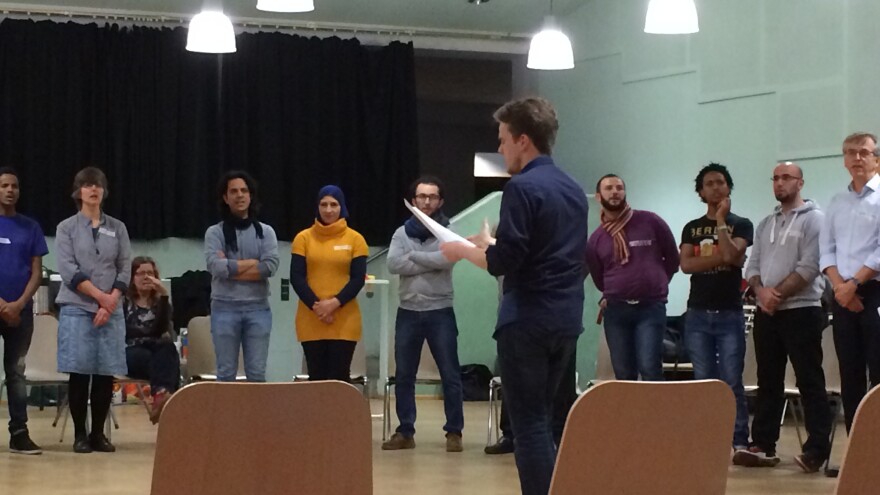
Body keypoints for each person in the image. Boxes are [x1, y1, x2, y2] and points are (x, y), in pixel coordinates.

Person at [441, 97, 589, 495]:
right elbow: (549, 249)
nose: (501, 148)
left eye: (503, 139)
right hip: (565, 319)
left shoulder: (522, 187)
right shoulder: (573, 189)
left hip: (527, 321)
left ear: (523, 140)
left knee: (530, 427)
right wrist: (491, 241)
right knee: (549, 421)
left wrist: (460, 249)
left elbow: (503, 262)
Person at [735, 162, 831, 472]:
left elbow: (810, 266)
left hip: (803, 310)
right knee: (768, 381)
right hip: (767, 313)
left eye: (786, 178)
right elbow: (752, 268)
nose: (779, 183)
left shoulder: (816, 220)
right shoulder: (766, 223)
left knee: (809, 380)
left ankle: (816, 449)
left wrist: (775, 294)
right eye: (775, 178)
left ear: (800, 183)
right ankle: (763, 445)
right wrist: (761, 292)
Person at [382, 176, 464, 453]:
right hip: (408, 312)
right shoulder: (401, 233)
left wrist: (414, 257)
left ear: (440, 201)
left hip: (440, 311)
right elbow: (393, 264)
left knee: (450, 374)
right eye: (421, 196)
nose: (426, 201)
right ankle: (405, 431)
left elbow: (448, 259)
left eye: (432, 197)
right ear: (413, 200)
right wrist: (429, 261)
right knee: (404, 374)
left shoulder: (450, 231)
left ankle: (454, 432)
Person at [55, 167, 131, 454]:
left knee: (104, 373)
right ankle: (80, 435)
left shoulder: (118, 227)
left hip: (110, 308)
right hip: (77, 307)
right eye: (87, 185)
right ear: (78, 192)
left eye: (98, 185)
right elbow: (68, 270)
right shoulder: (66, 228)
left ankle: (98, 434)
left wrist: (110, 301)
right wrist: (101, 298)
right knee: (80, 372)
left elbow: (125, 266)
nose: (93, 189)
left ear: (104, 191)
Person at [679, 162, 753, 452]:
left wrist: (721, 222)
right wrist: (723, 256)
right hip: (697, 314)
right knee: (704, 381)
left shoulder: (742, 223)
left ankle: (737, 440)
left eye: (720, 182)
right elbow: (686, 265)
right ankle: (708, 438)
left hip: (729, 313)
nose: (715, 187)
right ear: (701, 191)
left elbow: (734, 258)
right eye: (709, 183)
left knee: (732, 380)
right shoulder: (691, 228)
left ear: (729, 187)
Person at [819, 133, 880, 477]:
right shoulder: (837, 202)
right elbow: (826, 249)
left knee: (879, 375)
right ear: (844, 159)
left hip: (874, 293)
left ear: (876, 159)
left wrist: (854, 283)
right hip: (842, 294)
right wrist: (840, 287)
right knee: (850, 376)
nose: (857, 158)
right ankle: (859, 456)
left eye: (864, 152)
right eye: (850, 153)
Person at [586, 174, 679, 381]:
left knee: (649, 367)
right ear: (598, 197)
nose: (615, 192)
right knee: (623, 372)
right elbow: (599, 278)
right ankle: (630, 415)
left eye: (619, 187)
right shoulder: (596, 239)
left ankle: (654, 414)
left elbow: (672, 259)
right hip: (616, 311)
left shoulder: (650, 221)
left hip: (650, 308)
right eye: (608, 188)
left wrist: (657, 283)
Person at [204, 170, 279, 382]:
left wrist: (230, 268)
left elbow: (270, 267)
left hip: (258, 309)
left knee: (256, 373)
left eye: (244, 190)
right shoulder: (214, 233)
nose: (240, 195)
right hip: (224, 308)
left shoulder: (266, 232)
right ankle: (227, 416)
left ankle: (255, 416)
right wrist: (252, 263)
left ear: (251, 196)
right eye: (234, 191)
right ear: (225, 198)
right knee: (226, 373)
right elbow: (216, 268)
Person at [290, 185, 367, 382]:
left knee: (339, 379)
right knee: (317, 379)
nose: (329, 209)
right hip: (311, 319)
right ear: (317, 207)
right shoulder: (303, 238)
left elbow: (357, 279)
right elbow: (297, 277)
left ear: (342, 207)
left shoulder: (356, 239)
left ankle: (340, 415)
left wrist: (333, 304)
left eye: (334, 204)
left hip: (344, 320)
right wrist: (318, 307)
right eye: (324, 204)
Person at [0, 167, 49, 455]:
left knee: (16, 372)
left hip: (20, 313)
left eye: (14, 186)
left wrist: (17, 304)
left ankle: (19, 434)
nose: (10, 190)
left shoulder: (30, 227)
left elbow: (36, 272)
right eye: (4, 185)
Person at [123, 256, 180, 424]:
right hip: (130, 353)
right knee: (164, 359)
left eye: (150, 273)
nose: (146, 277)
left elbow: (161, 329)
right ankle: (166, 399)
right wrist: (149, 335)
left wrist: (164, 296)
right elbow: (127, 332)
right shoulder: (123, 302)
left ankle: (161, 396)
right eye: (140, 273)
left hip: (155, 354)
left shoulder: (160, 303)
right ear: (132, 278)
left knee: (168, 349)